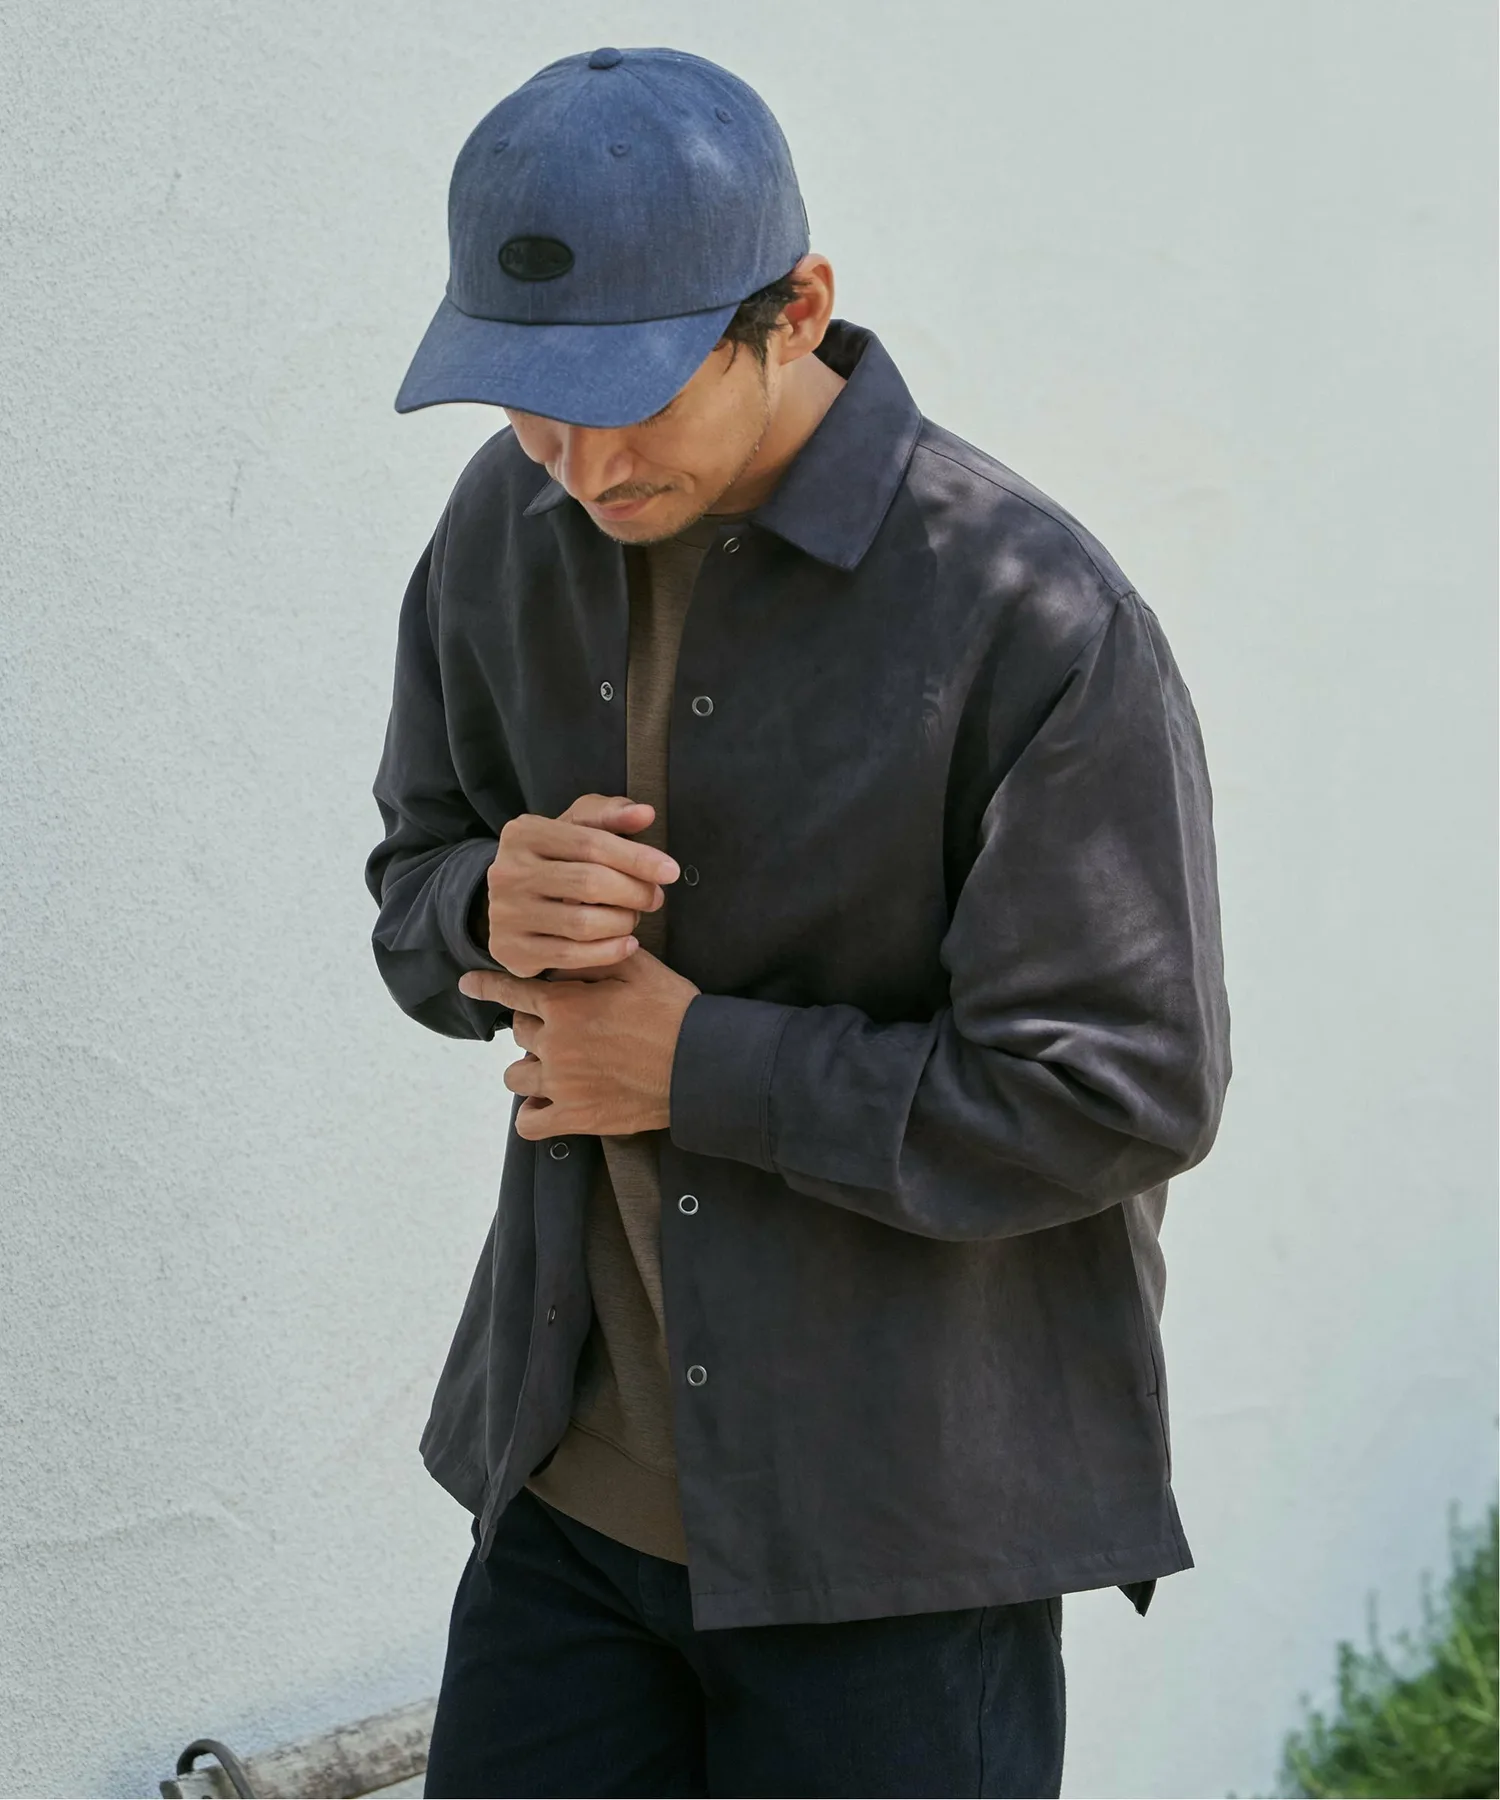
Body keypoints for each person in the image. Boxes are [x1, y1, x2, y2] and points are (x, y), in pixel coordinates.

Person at [365, 43, 1231, 1800]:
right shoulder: (501, 527)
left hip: (899, 1552)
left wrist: (697, 1065)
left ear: (797, 311)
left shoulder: (1032, 616)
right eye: (530, 403)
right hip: (567, 1496)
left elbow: (1123, 1090)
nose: (581, 461)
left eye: (631, 397)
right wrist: (486, 901)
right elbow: (412, 895)